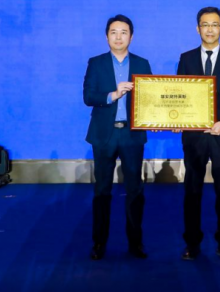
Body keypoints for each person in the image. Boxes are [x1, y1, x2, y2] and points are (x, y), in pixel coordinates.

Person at [177, 6, 220, 263]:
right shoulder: (186, 58)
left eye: (214, 25)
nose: (210, 29)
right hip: (194, 136)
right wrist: (176, 118)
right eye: (205, 25)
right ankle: (192, 243)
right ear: (198, 28)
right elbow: (180, 94)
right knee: (192, 191)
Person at [83, 15, 152, 260]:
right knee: (102, 190)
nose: (118, 37)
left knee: (135, 190)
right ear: (107, 36)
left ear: (131, 36)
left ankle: (135, 243)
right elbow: (88, 96)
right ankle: (99, 242)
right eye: (114, 32)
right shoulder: (96, 63)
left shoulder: (142, 63)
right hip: (104, 134)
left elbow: (150, 99)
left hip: (132, 135)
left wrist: (155, 119)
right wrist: (113, 94)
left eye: (124, 32)